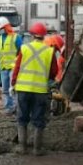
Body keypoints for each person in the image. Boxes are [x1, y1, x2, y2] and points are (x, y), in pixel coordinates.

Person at [11, 22, 58, 155]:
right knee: (38, 119)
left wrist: (13, 83)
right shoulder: (49, 51)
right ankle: (37, 149)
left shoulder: (24, 48)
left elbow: (17, 68)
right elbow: (54, 72)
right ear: (44, 36)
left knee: (22, 117)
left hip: (23, 89)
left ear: (32, 35)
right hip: (40, 91)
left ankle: (22, 147)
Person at [0, 16, 22, 114]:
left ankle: (16, 108)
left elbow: (21, 52)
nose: (0, 30)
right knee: (5, 90)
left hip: (14, 68)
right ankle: (8, 108)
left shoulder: (16, 37)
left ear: (7, 27)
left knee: (12, 89)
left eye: (1, 28)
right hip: (4, 68)